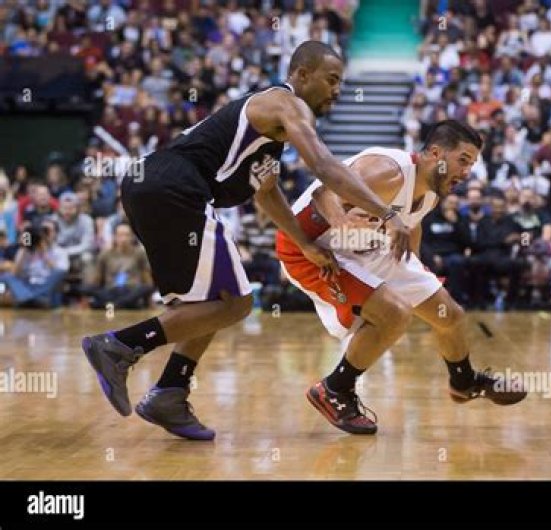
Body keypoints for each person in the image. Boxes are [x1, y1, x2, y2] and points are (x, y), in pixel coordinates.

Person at [81, 41, 411, 441]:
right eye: (331, 79)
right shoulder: (286, 104)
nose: (338, 90)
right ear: (302, 74)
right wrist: (388, 213)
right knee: (235, 302)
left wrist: (305, 244)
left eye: (341, 82)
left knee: (207, 304)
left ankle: (170, 391)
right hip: (177, 186)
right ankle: (119, 346)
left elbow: (266, 193)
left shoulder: (269, 133)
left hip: (150, 187)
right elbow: (325, 166)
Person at [276, 120, 527, 435]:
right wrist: (341, 221)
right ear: (435, 154)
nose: (466, 172)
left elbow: (412, 223)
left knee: (449, 315)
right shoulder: (387, 172)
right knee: (394, 314)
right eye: (463, 160)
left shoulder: (432, 192)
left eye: (471, 165)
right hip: (310, 249)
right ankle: (334, 389)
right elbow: (324, 194)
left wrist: (416, 274)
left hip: (367, 248)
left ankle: (464, 382)